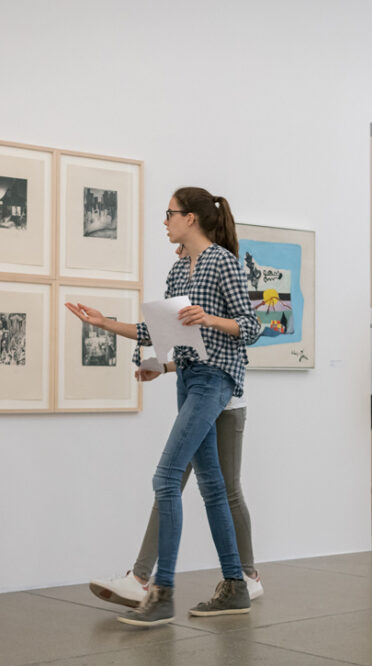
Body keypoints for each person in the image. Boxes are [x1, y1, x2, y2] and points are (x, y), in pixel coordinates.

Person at [65, 187, 261, 627]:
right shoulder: (176, 272)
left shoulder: (224, 263)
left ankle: (162, 591)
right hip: (188, 378)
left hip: (216, 380)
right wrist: (108, 326)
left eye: (169, 213)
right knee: (211, 487)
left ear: (190, 218)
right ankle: (235, 585)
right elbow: (158, 331)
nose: (165, 221)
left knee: (166, 476)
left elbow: (252, 327)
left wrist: (209, 318)